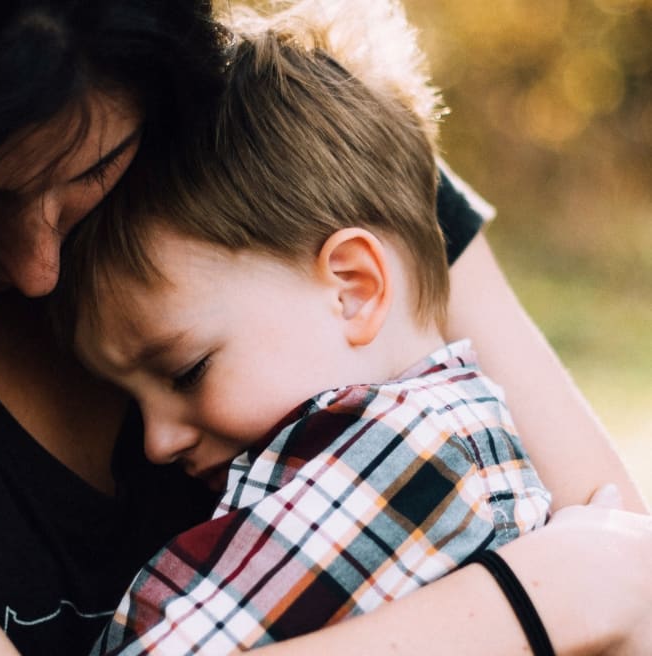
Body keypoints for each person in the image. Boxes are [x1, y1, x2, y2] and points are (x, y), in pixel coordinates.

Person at [0, 1, 648, 655]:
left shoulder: (290, 162)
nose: (37, 267)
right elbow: (614, 575)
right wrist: (536, 601)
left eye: (91, 171)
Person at [58, 5, 552, 652]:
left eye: (186, 371)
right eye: (132, 398)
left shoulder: (405, 458)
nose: (156, 442)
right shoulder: (447, 439)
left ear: (353, 289)